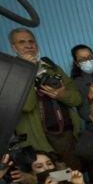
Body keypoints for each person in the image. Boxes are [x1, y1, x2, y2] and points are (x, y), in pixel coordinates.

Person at [10, 28, 83, 171]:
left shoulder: (51, 68)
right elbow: (26, 105)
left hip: (66, 138)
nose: (28, 45)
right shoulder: (11, 72)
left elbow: (77, 99)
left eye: (31, 41)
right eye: (22, 42)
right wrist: (28, 71)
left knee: (76, 178)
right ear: (14, 47)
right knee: (54, 182)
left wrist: (62, 95)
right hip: (39, 141)